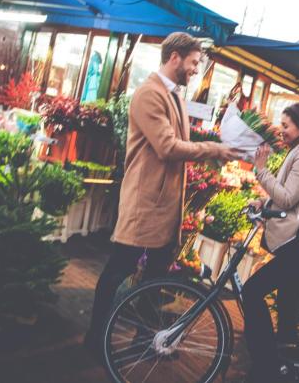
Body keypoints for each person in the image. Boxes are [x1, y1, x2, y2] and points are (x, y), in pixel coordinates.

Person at [84, 32, 240, 357]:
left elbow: (178, 141)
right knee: (119, 269)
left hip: (164, 205)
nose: (196, 69)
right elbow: (167, 147)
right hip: (145, 203)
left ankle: (145, 340)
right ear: (175, 58)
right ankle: (95, 340)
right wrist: (214, 149)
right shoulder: (148, 94)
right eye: (194, 62)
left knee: (154, 278)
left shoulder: (175, 96)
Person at [242, 102, 299, 383]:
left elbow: (289, 198)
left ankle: (265, 367)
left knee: (253, 290)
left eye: (286, 125)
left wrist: (261, 170)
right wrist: (262, 202)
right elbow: (289, 197)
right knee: (287, 302)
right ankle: (286, 366)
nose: (282, 130)